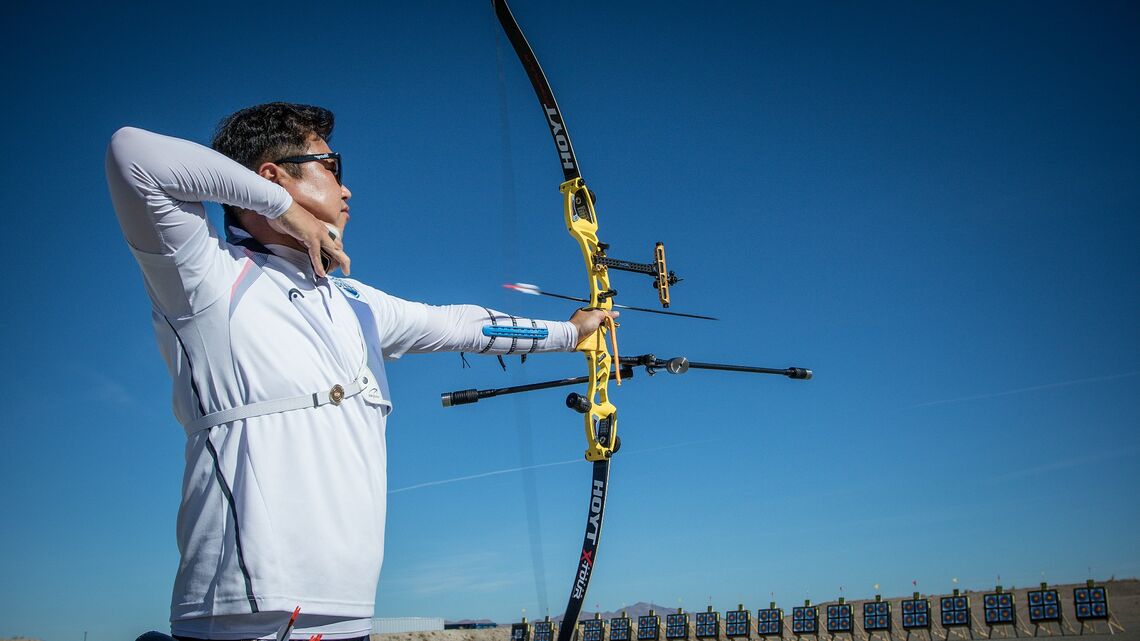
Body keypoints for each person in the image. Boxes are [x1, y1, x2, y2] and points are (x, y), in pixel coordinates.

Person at [105, 102, 614, 641]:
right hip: (243, 610)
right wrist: (284, 209)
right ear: (271, 177)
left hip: (349, 613)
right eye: (331, 167)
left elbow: (461, 324)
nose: (347, 190)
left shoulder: (357, 303)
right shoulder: (205, 275)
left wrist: (569, 333)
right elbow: (133, 155)